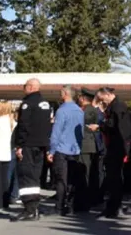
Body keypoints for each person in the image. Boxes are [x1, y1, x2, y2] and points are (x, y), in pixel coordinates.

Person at [12, 78, 53, 222]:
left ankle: (29, 208)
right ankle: (34, 207)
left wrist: (19, 145)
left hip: (28, 144)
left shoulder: (27, 104)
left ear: (30, 87)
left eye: (24, 86)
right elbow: (47, 126)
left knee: (26, 176)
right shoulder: (46, 104)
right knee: (35, 177)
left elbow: (24, 125)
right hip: (41, 145)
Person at [48, 85, 84, 216]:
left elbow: (56, 132)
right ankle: (71, 205)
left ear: (65, 94)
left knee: (61, 179)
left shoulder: (61, 111)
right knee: (71, 179)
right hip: (75, 149)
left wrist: (51, 150)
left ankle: (59, 207)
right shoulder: (79, 111)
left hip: (62, 149)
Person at [97, 87, 131, 219]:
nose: (102, 101)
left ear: (108, 94)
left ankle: (114, 207)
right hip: (114, 146)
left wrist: (101, 126)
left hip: (117, 146)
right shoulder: (114, 106)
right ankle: (112, 206)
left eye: (102, 98)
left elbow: (120, 127)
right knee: (112, 178)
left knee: (115, 177)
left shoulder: (118, 106)